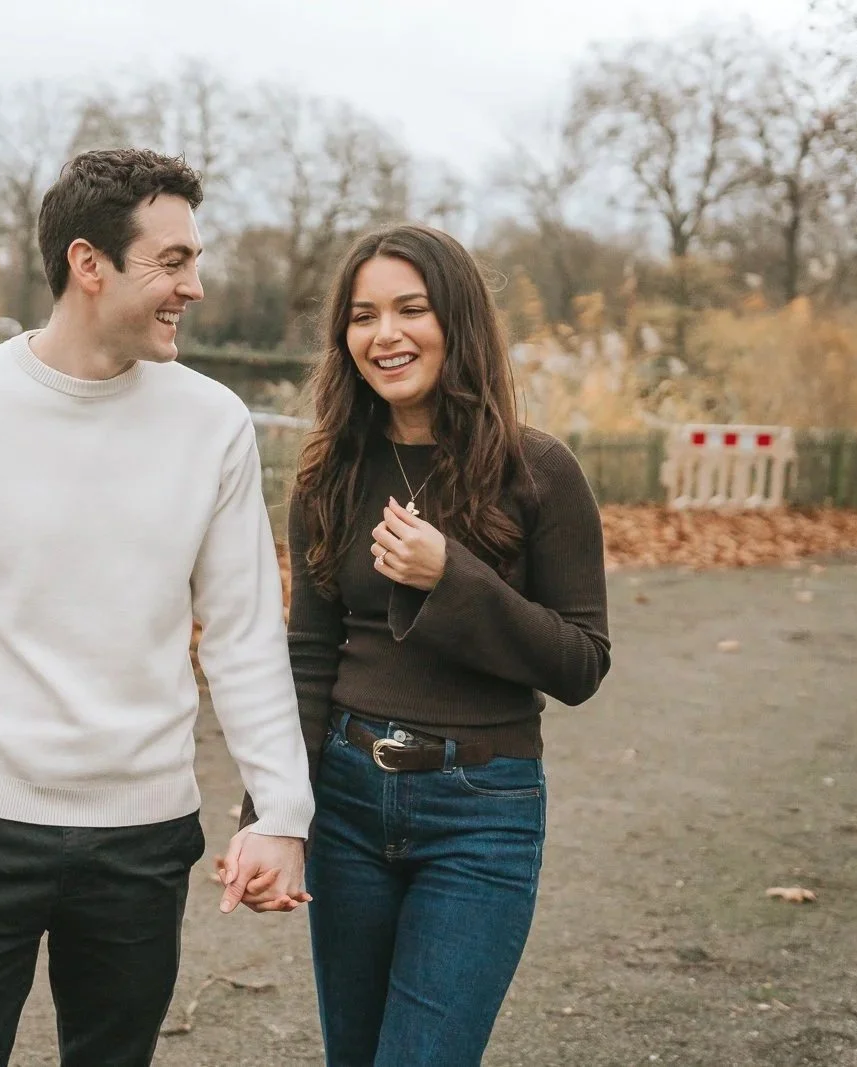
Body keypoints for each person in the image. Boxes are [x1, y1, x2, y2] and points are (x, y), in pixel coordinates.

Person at [0, 147, 316, 1067]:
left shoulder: (212, 424)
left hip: (143, 833)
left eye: (195, 260)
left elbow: (245, 634)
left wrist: (282, 809)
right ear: (89, 265)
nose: (195, 286)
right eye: (172, 262)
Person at [238, 224, 612, 1065]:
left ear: (459, 321)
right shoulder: (327, 472)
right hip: (348, 798)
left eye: (412, 308)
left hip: (481, 810)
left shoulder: (538, 470)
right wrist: (273, 812)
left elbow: (582, 662)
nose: (386, 334)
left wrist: (454, 577)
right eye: (364, 316)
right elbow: (310, 654)